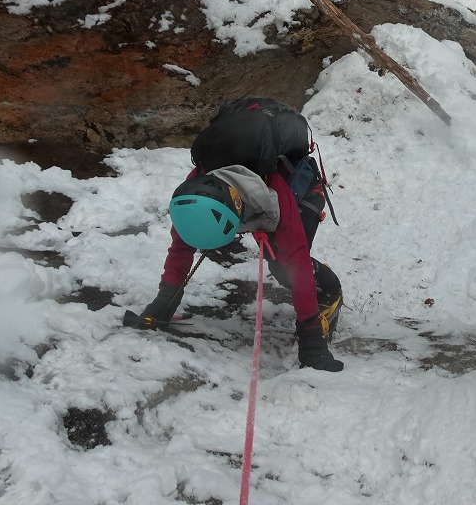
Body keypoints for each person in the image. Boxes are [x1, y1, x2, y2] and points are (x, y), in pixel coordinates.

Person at [137, 104, 344, 372]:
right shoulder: (197, 192)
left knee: (283, 265)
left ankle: (330, 289)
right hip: (248, 194)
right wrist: (165, 299)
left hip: (300, 188)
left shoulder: (275, 192)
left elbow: (298, 262)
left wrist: (311, 340)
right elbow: (181, 246)